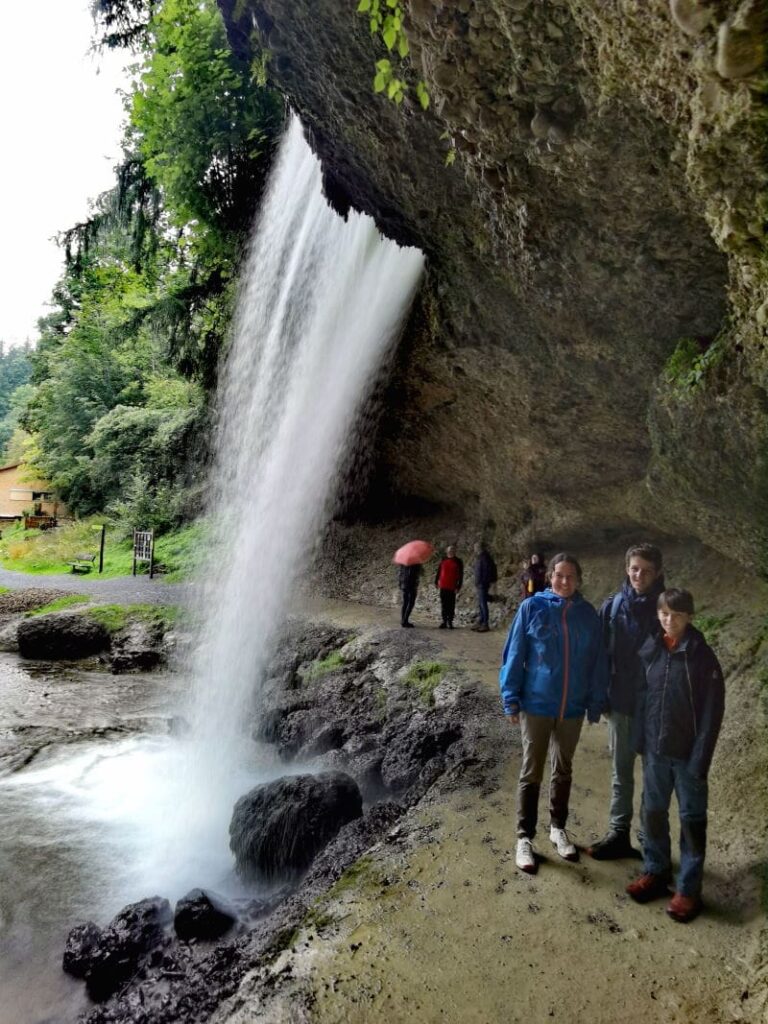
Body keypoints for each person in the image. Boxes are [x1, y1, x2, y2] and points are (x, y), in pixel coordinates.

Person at [500, 553, 608, 874]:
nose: (564, 581)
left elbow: (598, 662)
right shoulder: (532, 607)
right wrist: (511, 697)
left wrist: (595, 701)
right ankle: (524, 837)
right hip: (536, 705)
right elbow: (514, 653)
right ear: (550, 577)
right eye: (559, 575)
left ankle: (557, 827)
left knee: (564, 769)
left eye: (570, 576)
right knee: (531, 770)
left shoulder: (588, 616)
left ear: (578, 580)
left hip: (572, 708)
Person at [626, 588, 724, 923]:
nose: (670, 620)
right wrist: (640, 739)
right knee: (652, 811)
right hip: (655, 750)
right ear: (658, 615)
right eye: (665, 614)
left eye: (678, 615)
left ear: (690, 617)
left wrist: (700, 758)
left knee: (691, 821)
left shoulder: (702, 658)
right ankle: (656, 871)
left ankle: (688, 889)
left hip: (687, 755)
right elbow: (642, 695)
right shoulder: (652, 649)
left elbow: (712, 714)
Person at [588, 543, 665, 860]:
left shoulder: (667, 608)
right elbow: (600, 655)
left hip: (656, 710)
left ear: (658, 573)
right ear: (626, 569)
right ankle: (619, 834)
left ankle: (649, 840)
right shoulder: (614, 606)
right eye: (635, 568)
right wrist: (599, 697)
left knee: (653, 778)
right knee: (621, 775)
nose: (639, 575)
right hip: (620, 703)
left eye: (646, 570)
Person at [435, 545, 463, 629]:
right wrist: (436, 581)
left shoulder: (458, 561)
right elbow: (439, 571)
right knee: (444, 604)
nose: (451, 551)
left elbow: (461, 575)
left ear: (455, 551)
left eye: (452, 550)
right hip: (443, 585)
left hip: (452, 586)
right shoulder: (443, 559)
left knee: (451, 604)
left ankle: (450, 621)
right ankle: (444, 621)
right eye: (449, 550)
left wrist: (458, 586)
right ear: (446, 551)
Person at [471, 541, 497, 632]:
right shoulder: (481, 557)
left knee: (483, 603)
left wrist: (482, 582)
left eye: (476, 547)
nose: (475, 549)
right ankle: (481, 621)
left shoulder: (485, 557)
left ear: (480, 548)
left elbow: (486, 571)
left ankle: (485, 623)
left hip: (483, 583)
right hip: (480, 583)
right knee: (481, 603)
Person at [398, 563, 421, 628]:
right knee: (411, 603)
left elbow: (400, 573)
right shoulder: (416, 563)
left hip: (404, 584)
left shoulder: (403, 563)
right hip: (411, 585)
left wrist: (400, 584)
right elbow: (414, 575)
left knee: (405, 602)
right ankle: (405, 621)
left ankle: (403, 620)